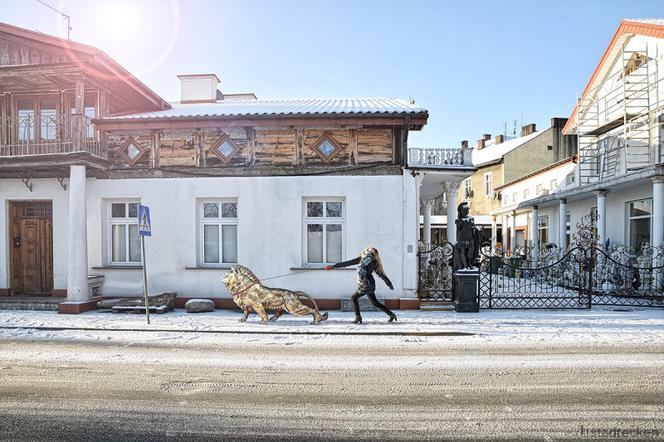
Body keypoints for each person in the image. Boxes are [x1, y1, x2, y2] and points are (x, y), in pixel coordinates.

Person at [325, 247, 397, 324]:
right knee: (375, 303)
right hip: (370, 284)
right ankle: (391, 315)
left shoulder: (363, 259)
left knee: (354, 298)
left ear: (368, 252)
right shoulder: (374, 262)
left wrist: (334, 266)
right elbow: (381, 274)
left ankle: (358, 317)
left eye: (367, 250)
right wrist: (389, 283)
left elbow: (348, 263)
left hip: (365, 284)